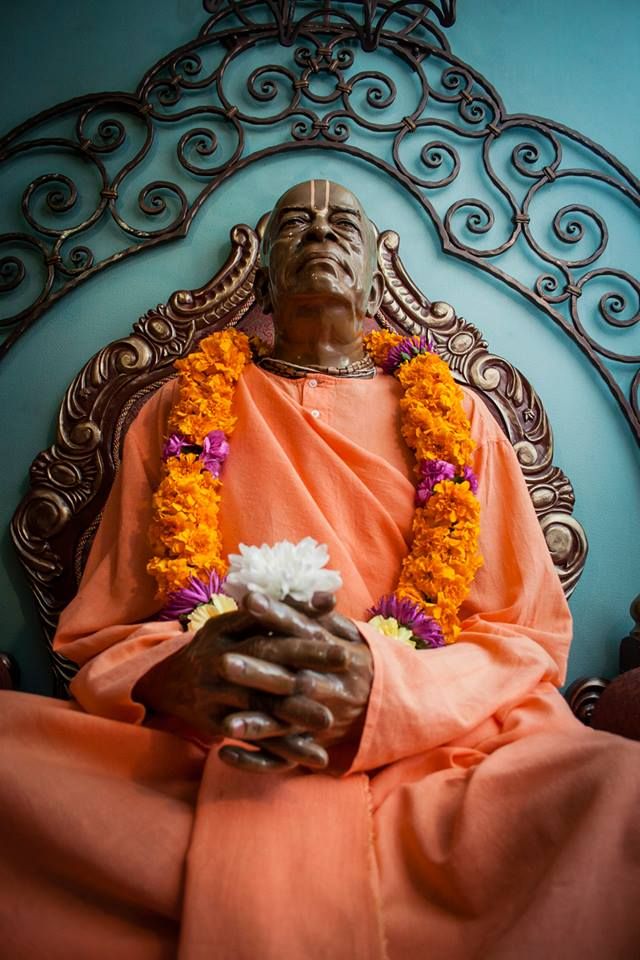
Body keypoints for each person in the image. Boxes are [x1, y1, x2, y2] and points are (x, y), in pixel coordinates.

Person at [1, 180, 639, 960]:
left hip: (433, 760)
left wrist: (387, 690)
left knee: (619, 789)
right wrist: (177, 677)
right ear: (264, 281)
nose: (320, 231)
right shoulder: (175, 408)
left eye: (344, 224)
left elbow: (525, 635)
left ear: (373, 279)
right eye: (296, 222)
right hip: (203, 755)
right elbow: (107, 628)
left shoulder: (463, 418)